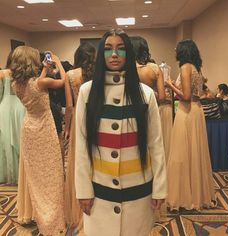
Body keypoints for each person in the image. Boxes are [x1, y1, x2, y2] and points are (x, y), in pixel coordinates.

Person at [74, 29, 167, 236]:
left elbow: (156, 144)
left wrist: (159, 187)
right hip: (100, 192)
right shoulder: (87, 93)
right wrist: (83, 190)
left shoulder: (146, 95)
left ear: (129, 54)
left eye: (120, 49)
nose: (114, 54)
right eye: (108, 49)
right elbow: (81, 144)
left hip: (139, 192)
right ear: (101, 54)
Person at [10, 46, 66, 235]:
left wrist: (44, 69)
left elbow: (35, 85)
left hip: (28, 127)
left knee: (34, 172)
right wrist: (57, 62)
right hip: (44, 127)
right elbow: (63, 81)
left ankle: (35, 210)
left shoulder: (15, 85)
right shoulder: (41, 83)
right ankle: (50, 215)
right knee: (52, 171)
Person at [165, 39, 215, 210]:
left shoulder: (185, 67)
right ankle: (197, 194)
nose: (175, 50)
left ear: (183, 51)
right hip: (197, 110)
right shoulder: (196, 68)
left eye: (177, 48)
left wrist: (170, 85)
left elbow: (185, 96)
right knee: (194, 153)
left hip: (186, 112)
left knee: (181, 154)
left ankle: (184, 196)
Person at [64, 42, 96, 230]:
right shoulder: (98, 73)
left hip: (78, 118)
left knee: (79, 161)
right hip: (96, 117)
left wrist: (67, 128)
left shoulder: (70, 75)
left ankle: (79, 205)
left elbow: (69, 106)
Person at [0, 51, 25, 184]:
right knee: (20, 138)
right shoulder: (24, 74)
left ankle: (10, 174)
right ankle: (23, 174)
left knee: (6, 141)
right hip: (21, 107)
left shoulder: (2, 73)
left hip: (5, 107)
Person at [131, 36, 165, 102]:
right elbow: (162, 97)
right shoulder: (154, 68)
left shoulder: (125, 68)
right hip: (150, 107)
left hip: (131, 108)